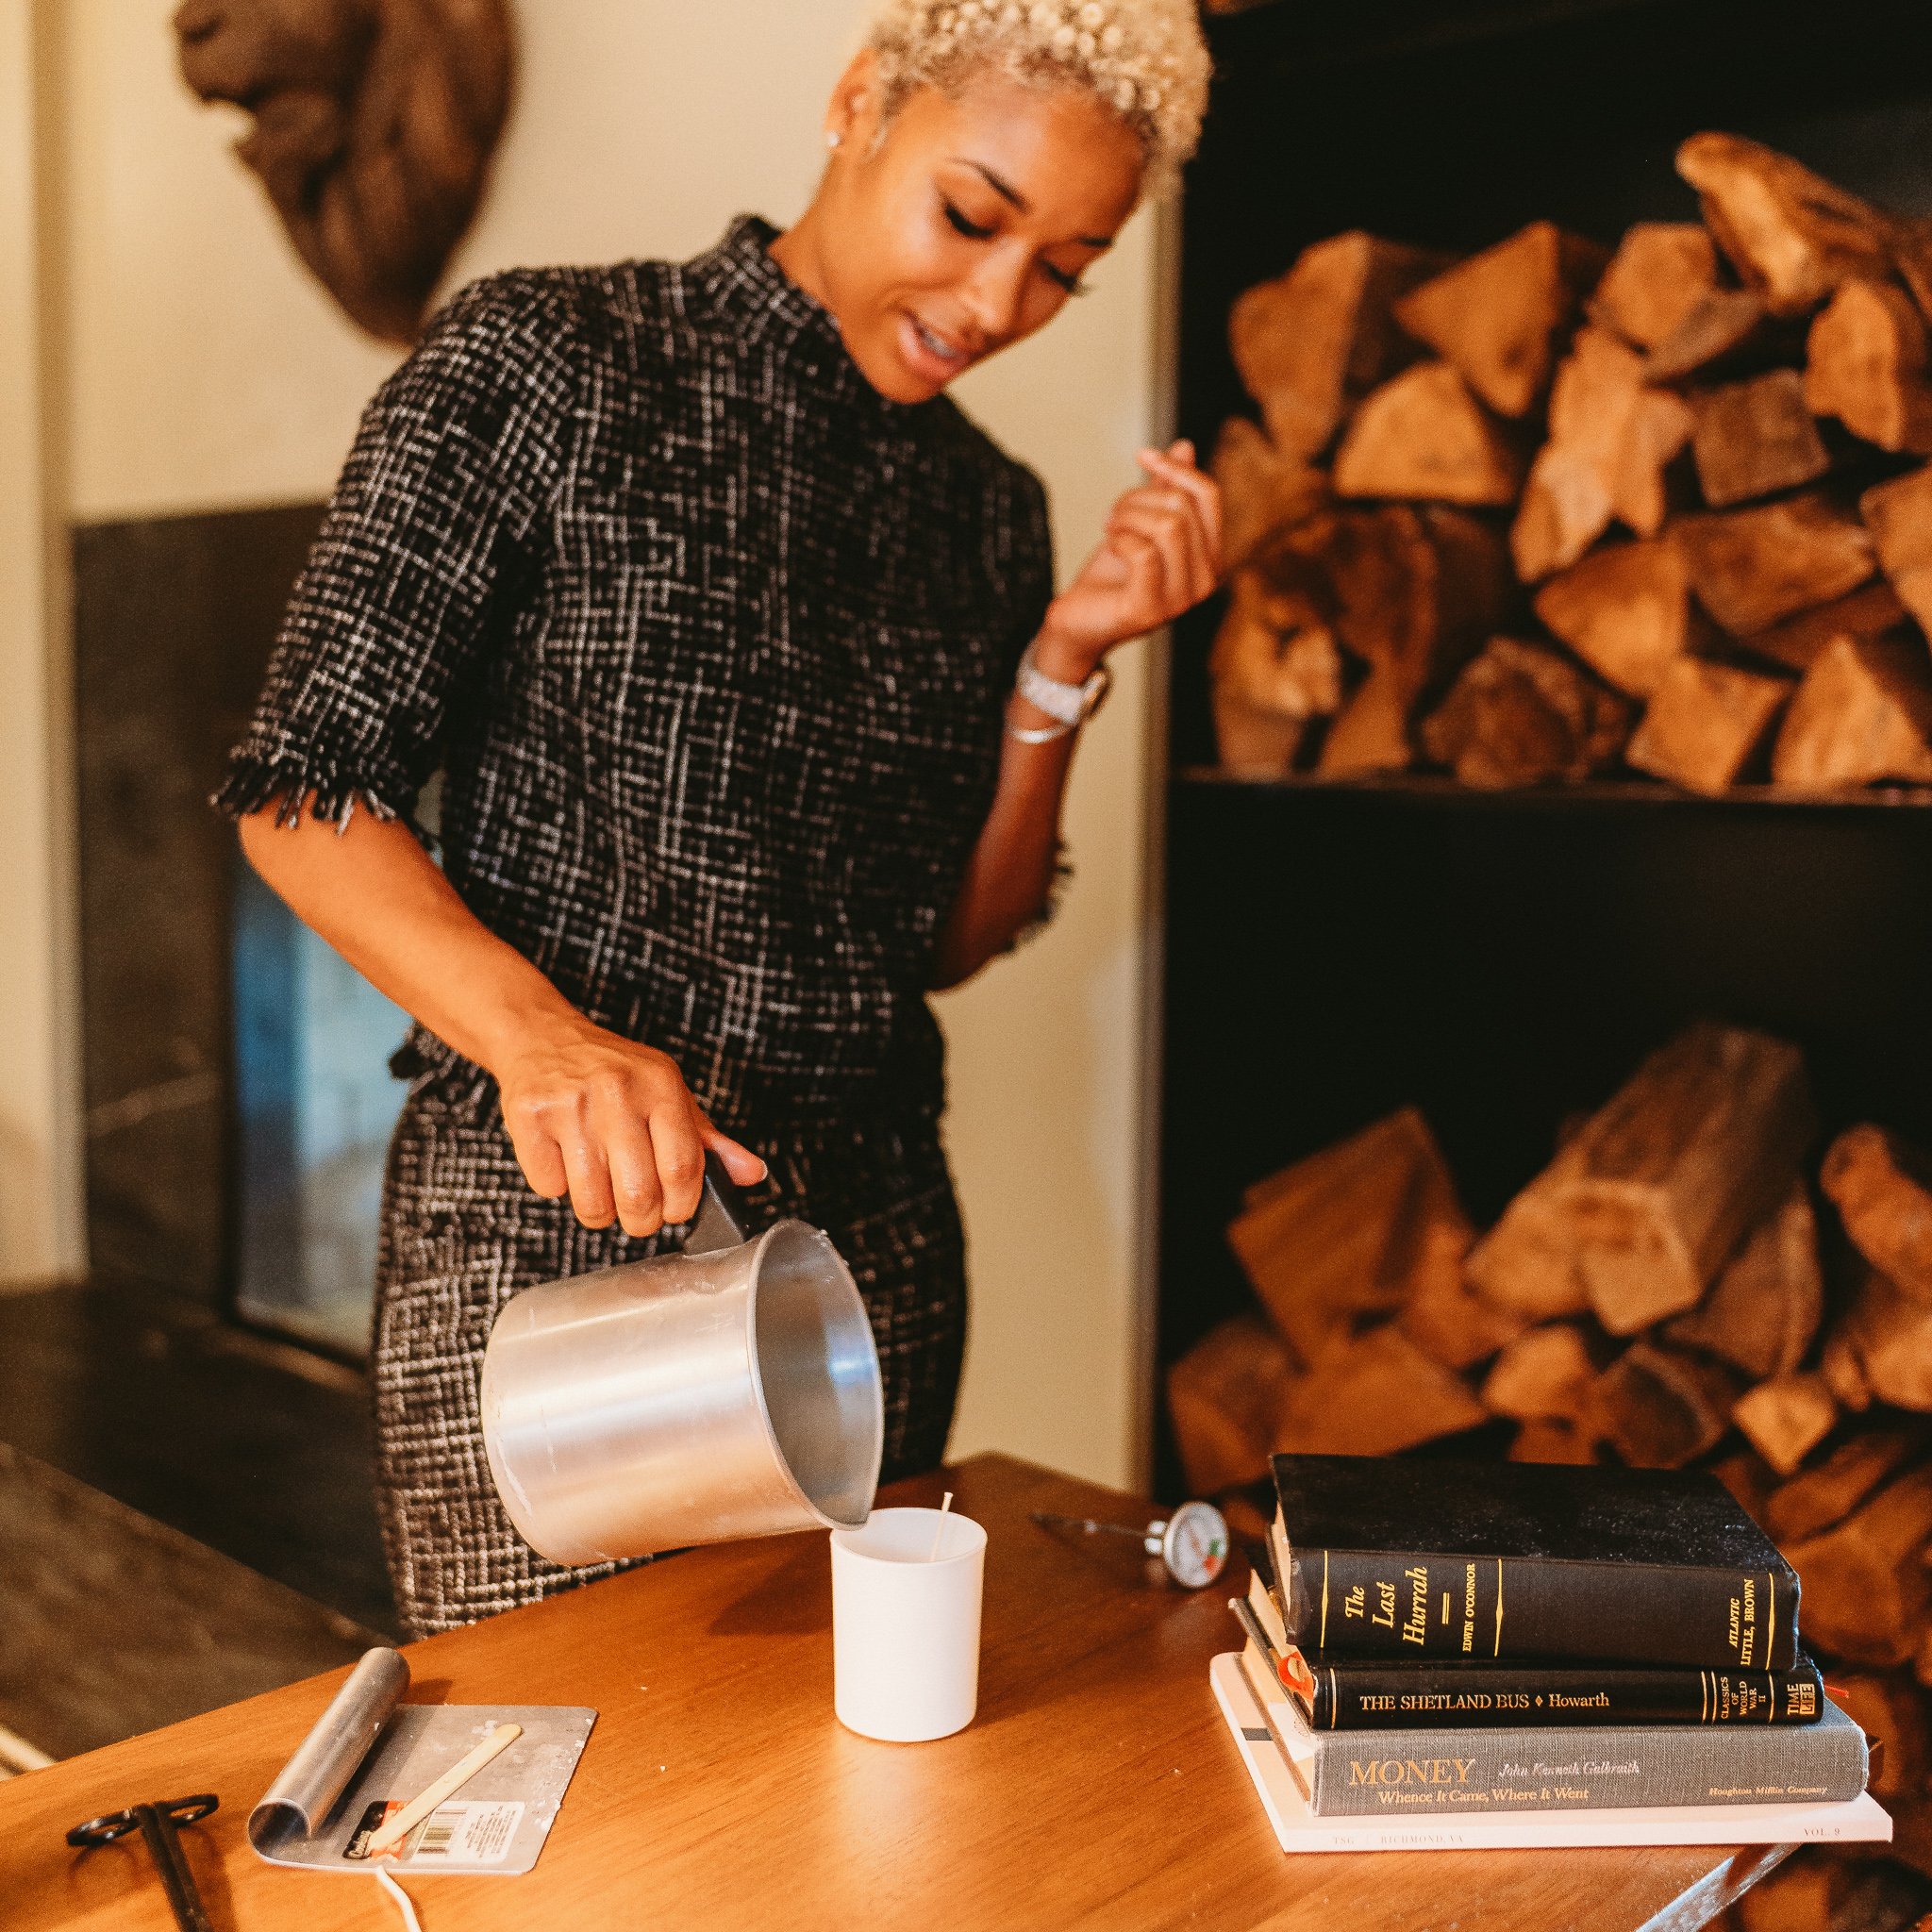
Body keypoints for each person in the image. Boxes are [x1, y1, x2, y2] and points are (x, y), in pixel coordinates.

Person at [220, 0, 1219, 1638]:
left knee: (839, 1824)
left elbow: (945, 943)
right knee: (562, 1824)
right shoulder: (543, 359)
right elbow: (300, 791)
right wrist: (543, 1039)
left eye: (1063, 267)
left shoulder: (987, 513)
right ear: (857, 104)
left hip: (872, 1271)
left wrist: (1062, 665)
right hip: (555, 1264)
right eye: (973, 216)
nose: (997, 302)